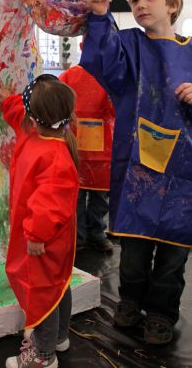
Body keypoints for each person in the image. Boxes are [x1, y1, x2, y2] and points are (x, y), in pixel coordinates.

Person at [81, 0, 192, 345]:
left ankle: (161, 313)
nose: (141, 5)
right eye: (134, 1)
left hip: (184, 173)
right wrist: (99, 16)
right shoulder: (129, 45)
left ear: (172, 5)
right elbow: (102, 59)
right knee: (134, 248)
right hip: (138, 167)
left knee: (173, 255)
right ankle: (130, 300)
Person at [0, 74, 79, 368]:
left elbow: (49, 207)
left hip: (43, 240)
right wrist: (8, 99)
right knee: (58, 284)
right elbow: (18, 112)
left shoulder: (53, 155)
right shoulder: (36, 132)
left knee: (43, 291)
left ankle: (44, 357)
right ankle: (59, 337)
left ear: (35, 119)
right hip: (50, 239)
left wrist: (35, 236)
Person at [60, 61, 115, 252]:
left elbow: (122, 107)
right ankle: (79, 236)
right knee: (77, 194)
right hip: (75, 146)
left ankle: (97, 233)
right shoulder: (69, 76)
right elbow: (59, 104)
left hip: (104, 148)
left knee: (100, 196)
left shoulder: (112, 75)